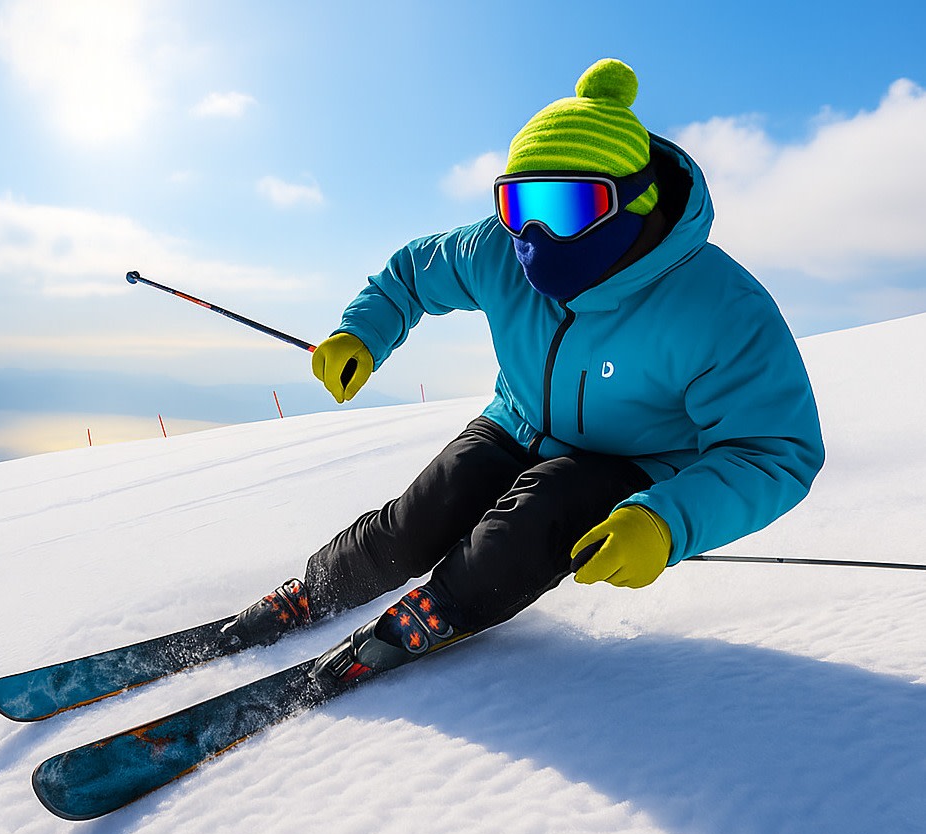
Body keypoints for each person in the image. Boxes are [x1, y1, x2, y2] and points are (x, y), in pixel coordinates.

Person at [221, 58, 825, 683]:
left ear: (635, 204)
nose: (535, 229)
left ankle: (439, 610)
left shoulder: (717, 306)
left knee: (525, 528)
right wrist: (362, 333)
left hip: (634, 460)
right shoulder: (499, 250)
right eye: (519, 201)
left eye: (568, 205)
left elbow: (774, 450)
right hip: (516, 421)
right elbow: (411, 274)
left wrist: (667, 520)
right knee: (419, 519)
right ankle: (316, 590)